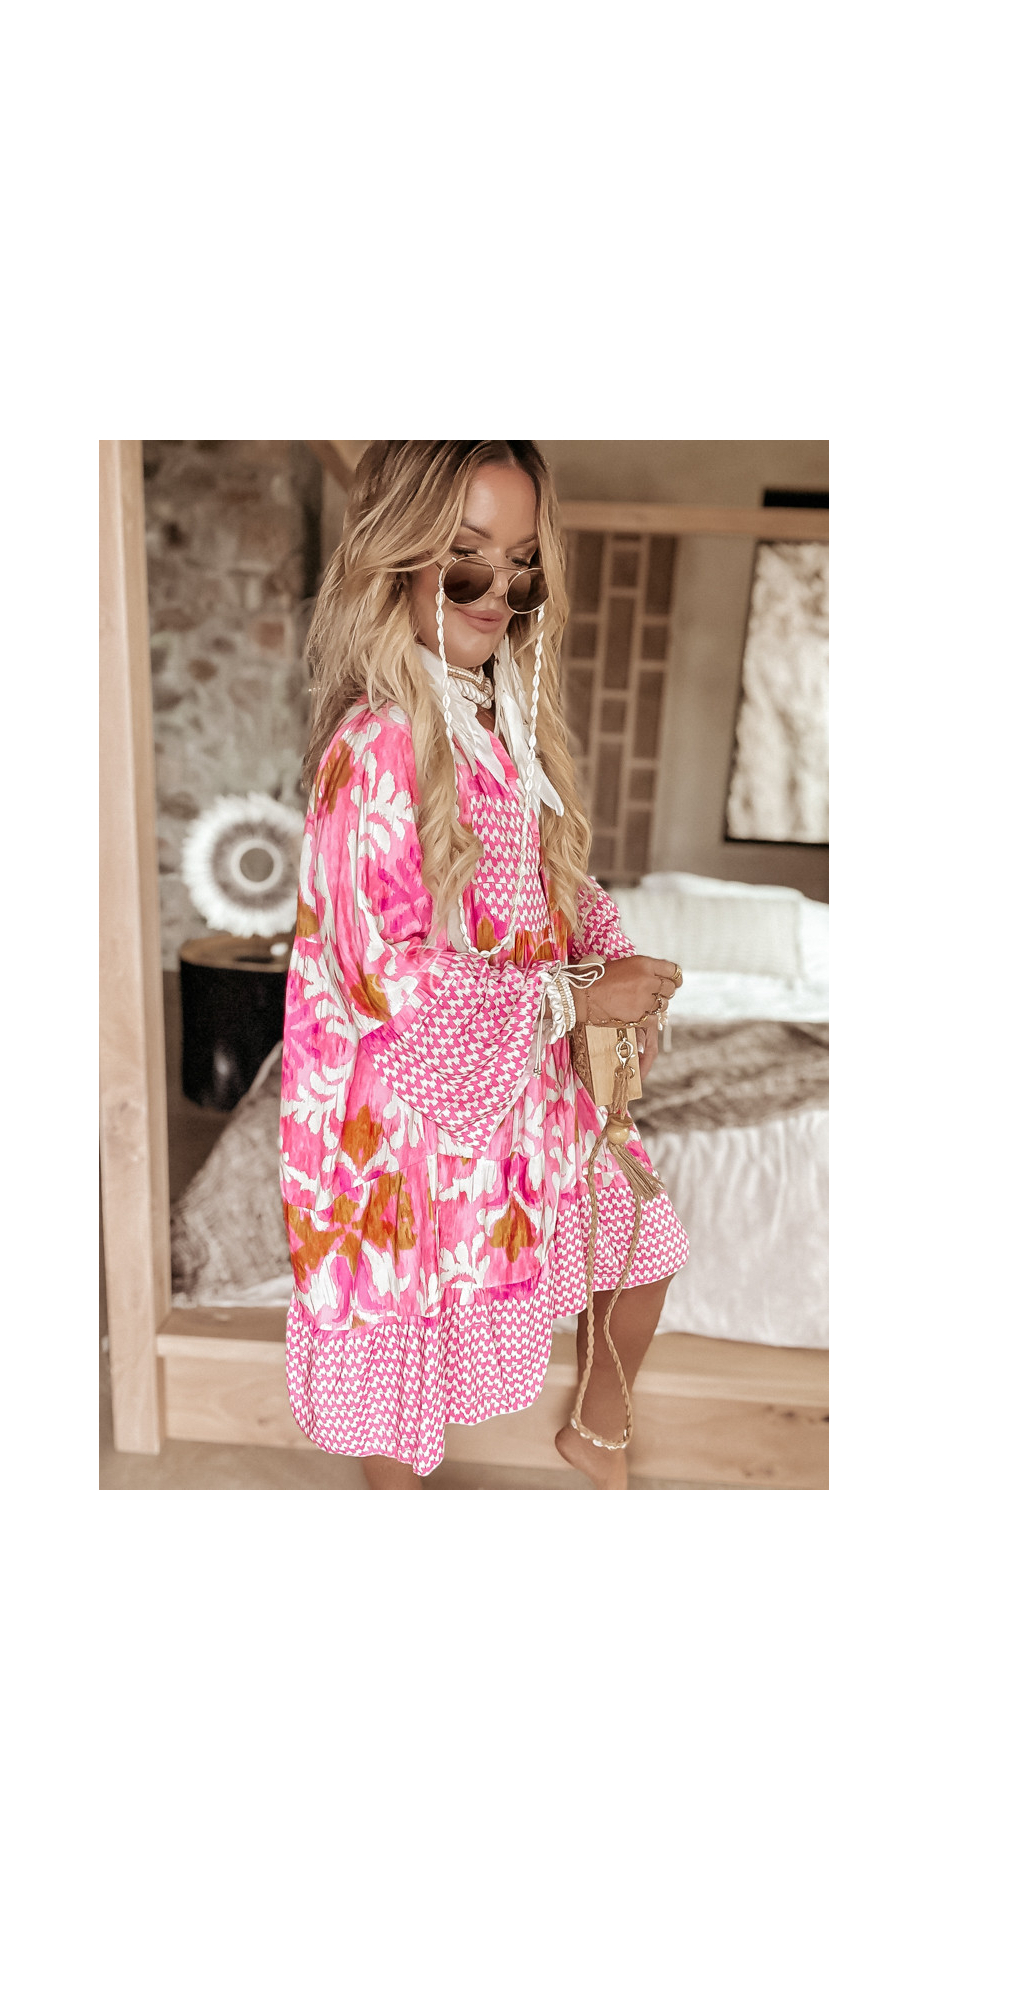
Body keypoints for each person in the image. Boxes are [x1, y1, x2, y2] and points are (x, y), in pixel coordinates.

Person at [280, 441, 688, 1489]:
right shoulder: (375, 744)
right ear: (398, 556)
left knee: (641, 1238)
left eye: (521, 567)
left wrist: (611, 957)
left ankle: (597, 1430)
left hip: (520, 1077)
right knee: (404, 1345)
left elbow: (552, 885)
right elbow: (380, 973)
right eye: (466, 560)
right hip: (406, 1116)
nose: (497, 592)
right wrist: (579, 996)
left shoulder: (500, 723)